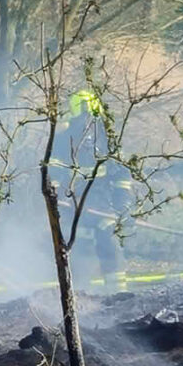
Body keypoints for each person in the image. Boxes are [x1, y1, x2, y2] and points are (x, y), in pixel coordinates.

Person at [56, 89, 132, 291]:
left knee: (108, 238)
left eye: (88, 118)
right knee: (75, 249)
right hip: (71, 206)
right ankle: (79, 296)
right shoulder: (63, 141)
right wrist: (56, 198)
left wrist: (122, 204)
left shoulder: (108, 140)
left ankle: (118, 295)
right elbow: (52, 174)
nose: (85, 123)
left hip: (102, 204)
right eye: (82, 118)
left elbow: (122, 176)